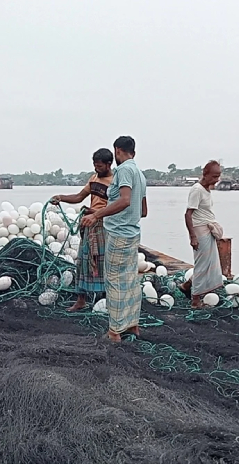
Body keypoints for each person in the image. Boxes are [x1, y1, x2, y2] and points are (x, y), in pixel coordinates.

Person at [81, 136, 147, 342]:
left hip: (118, 234)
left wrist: (96, 215)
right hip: (133, 233)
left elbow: (125, 200)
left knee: (114, 281)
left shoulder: (124, 170)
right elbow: (143, 210)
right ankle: (132, 325)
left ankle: (115, 331)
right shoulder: (140, 175)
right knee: (130, 280)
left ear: (117, 150)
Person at [51, 148, 114, 311]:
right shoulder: (93, 178)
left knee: (102, 262)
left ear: (109, 164)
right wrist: (61, 197)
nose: (96, 169)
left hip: (104, 226)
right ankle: (81, 300)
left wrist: (93, 212)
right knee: (83, 261)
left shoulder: (115, 182)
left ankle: (107, 300)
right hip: (89, 224)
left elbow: (114, 207)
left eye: (99, 166)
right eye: (95, 165)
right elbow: (79, 197)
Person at [181, 161, 224, 308]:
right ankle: (195, 300)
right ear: (205, 174)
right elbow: (188, 214)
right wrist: (192, 236)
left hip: (207, 229)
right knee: (202, 266)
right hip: (200, 231)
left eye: (218, 176)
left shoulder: (206, 190)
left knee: (208, 264)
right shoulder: (197, 190)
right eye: (214, 176)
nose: (217, 179)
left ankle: (187, 286)